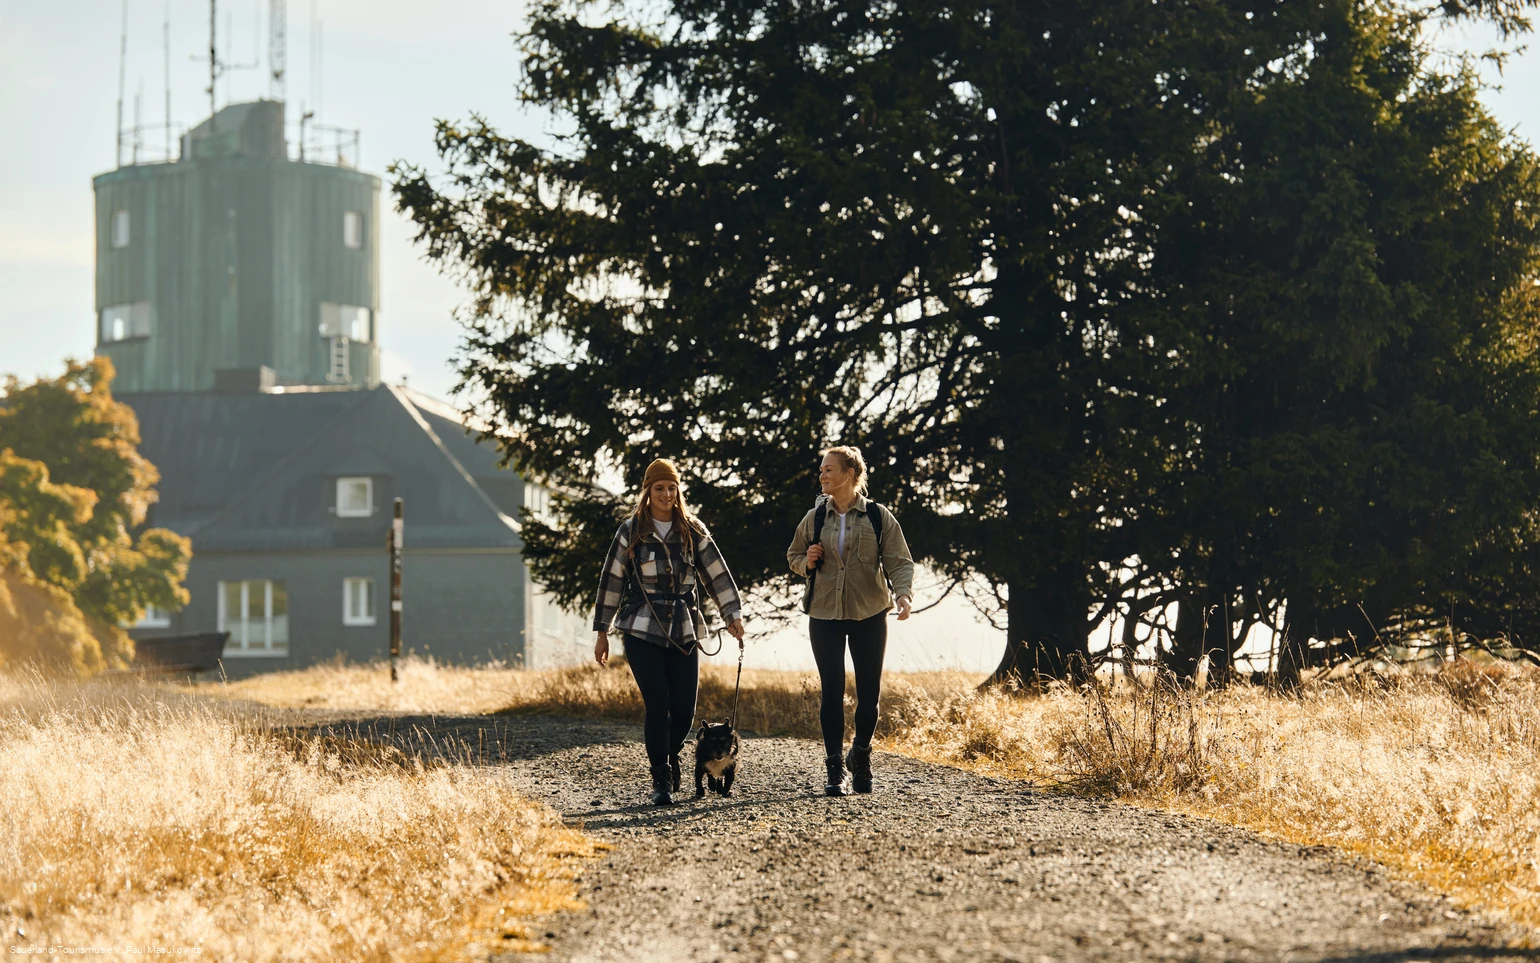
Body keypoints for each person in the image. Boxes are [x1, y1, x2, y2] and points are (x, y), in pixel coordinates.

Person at [592, 458, 746, 806]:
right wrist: (602, 631)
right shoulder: (630, 531)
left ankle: (671, 752)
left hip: (684, 628)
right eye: (659, 488)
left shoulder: (693, 530)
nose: (666, 494)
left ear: (678, 492)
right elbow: (612, 580)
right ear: (647, 491)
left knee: (684, 710)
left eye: (671, 488)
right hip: (641, 627)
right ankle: (661, 775)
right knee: (657, 703)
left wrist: (731, 614)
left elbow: (716, 573)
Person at [786, 446, 914, 795]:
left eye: (829, 470)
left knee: (869, 694)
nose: (823, 476)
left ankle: (861, 755)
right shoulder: (814, 518)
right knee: (832, 691)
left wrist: (903, 594)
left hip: (869, 613)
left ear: (849, 474)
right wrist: (806, 561)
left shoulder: (878, 516)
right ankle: (834, 769)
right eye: (822, 470)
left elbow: (899, 561)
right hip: (824, 614)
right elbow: (793, 555)